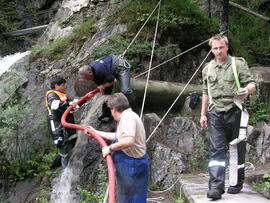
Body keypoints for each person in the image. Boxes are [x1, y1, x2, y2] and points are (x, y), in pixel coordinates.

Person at [200, 34, 256, 200]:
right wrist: (203, 114)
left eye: (221, 47)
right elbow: (204, 93)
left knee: (236, 148)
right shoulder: (207, 68)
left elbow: (252, 84)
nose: (218, 51)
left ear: (226, 47)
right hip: (215, 112)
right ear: (211, 49)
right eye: (215, 48)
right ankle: (216, 188)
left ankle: (237, 182)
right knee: (217, 149)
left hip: (235, 110)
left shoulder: (237, 64)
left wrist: (246, 90)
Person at [89, 93, 149, 203]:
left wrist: (110, 148)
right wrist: (96, 132)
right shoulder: (128, 116)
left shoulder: (127, 118)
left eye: (111, 110)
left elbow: (128, 140)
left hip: (133, 166)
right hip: (132, 165)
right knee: (130, 196)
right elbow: (119, 137)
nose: (111, 114)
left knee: (132, 199)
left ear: (115, 109)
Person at [45, 76, 78, 169]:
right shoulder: (51, 95)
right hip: (58, 127)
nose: (65, 87)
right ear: (56, 86)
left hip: (68, 126)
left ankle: (66, 165)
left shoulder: (63, 95)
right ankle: (65, 173)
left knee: (70, 144)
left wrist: (83, 100)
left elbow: (73, 106)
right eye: (63, 85)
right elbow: (53, 105)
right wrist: (68, 103)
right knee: (63, 148)